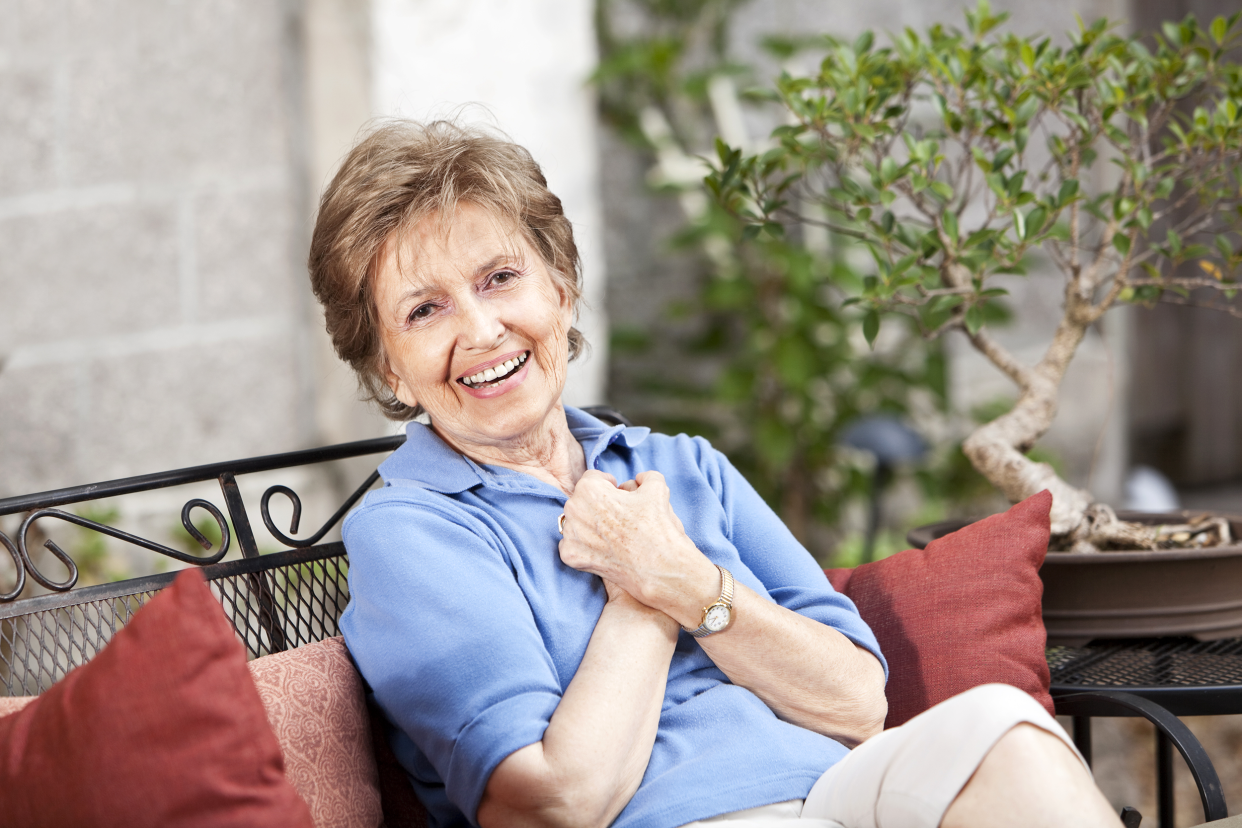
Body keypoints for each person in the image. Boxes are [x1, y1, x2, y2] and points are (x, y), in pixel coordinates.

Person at [310, 120, 1120, 828]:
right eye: (425, 310)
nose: (483, 329)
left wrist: (687, 579)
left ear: (561, 291)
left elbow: (856, 704)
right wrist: (643, 588)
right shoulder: (414, 530)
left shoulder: (680, 465)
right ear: (389, 372)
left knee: (1003, 732)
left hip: (837, 791)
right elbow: (550, 805)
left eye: (500, 278)